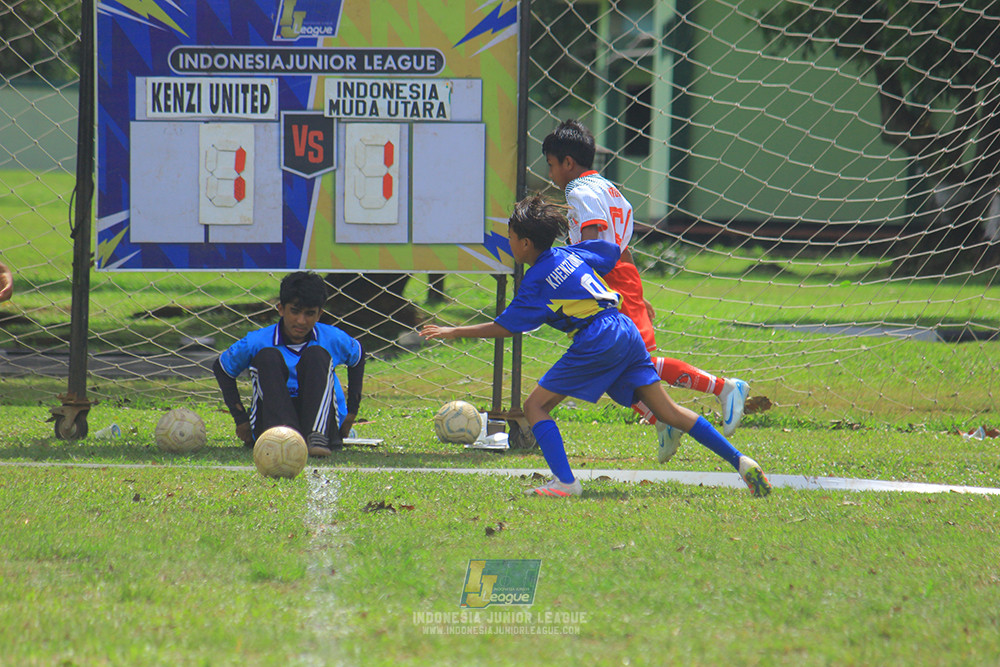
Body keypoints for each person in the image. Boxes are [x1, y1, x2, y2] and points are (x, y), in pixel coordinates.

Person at [421, 195, 771, 498]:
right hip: (625, 328)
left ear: (526, 244)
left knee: (535, 406)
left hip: (597, 336)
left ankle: (565, 483)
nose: (509, 243)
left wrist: (452, 331)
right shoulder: (570, 255)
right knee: (670, 413)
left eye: (511, 237)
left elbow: (504, 327)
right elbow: (609, 251)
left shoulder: (536, 279)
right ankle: (741, 463)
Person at [542, 119, 749, 463]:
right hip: (622, 276)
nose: (549, 174)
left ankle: (724, 387)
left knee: (635, 362)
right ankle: (662, 421)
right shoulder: (609, 188)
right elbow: (620, 243)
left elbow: (594, 239)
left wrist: (581, 280)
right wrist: (636, 291)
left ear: (567, 162)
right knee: (612, 368)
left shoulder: (578, 191)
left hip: (607, 279)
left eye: (550, 165)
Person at [213, 271, 365, 457]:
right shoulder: (258, 340)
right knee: (267, 357)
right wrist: (240, 419)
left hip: (324, 427)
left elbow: (358, 356)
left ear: (319, 314)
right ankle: (284, 435)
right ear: (281, 309)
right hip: (272, 426)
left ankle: (316, 436)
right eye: (295, 311)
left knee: (317, 355)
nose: (301, 321)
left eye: (309, 314)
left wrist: (351, 413)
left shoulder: (331, 337)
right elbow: (222, 368)